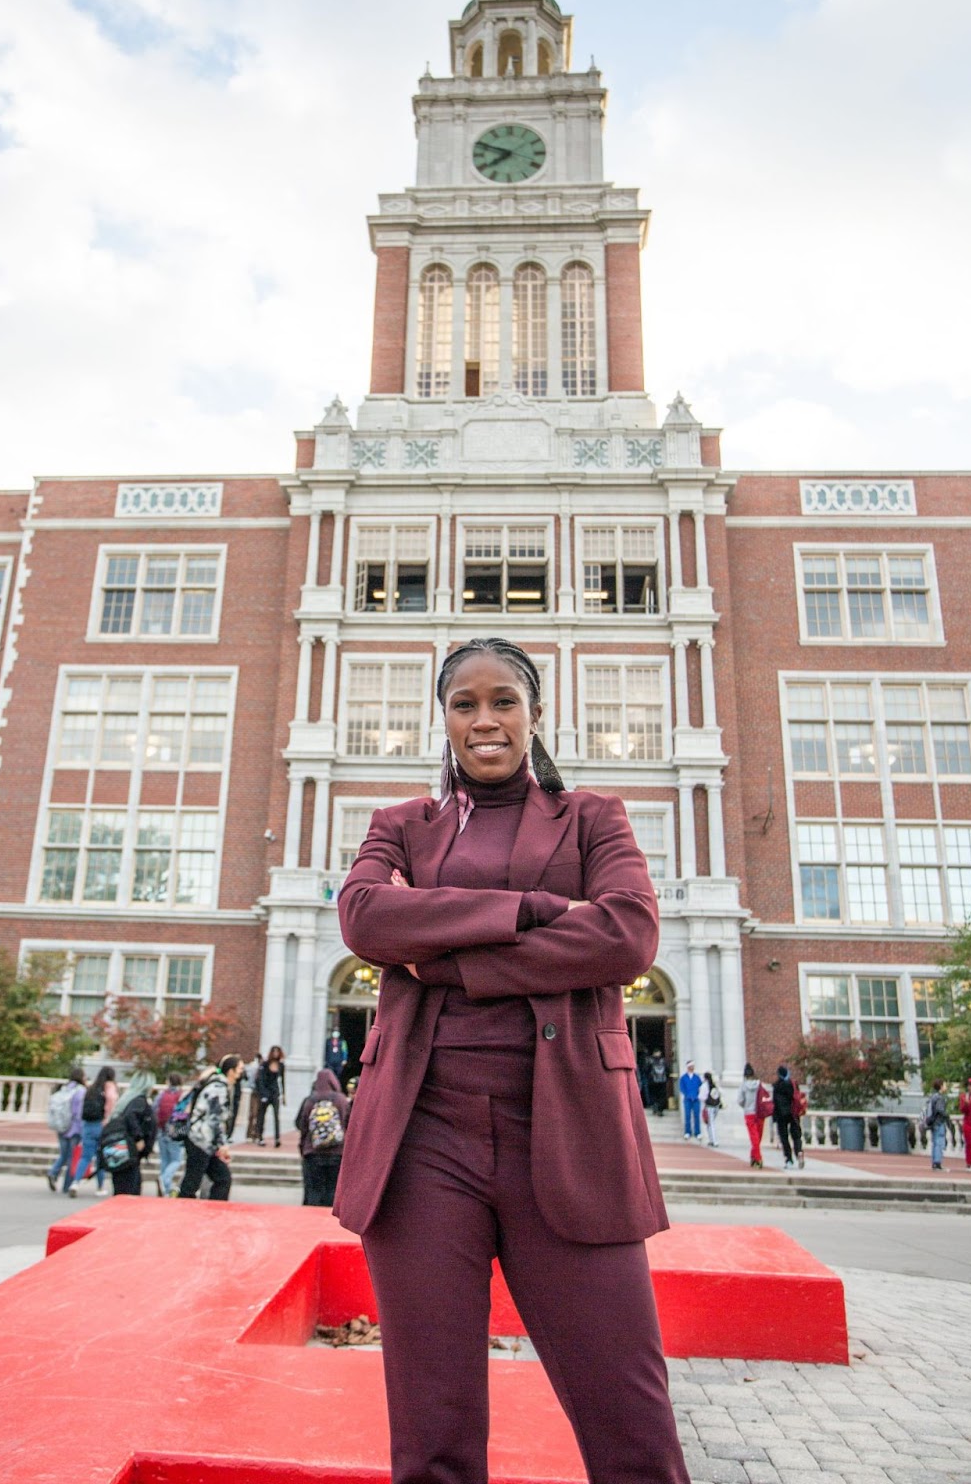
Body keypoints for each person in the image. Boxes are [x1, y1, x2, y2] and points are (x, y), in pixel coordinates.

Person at [335, 636, 691, 1484]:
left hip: (568, 1136)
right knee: (432, 1433)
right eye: (465, 704)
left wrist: (452, 958)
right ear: (445, 718)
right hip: (422, 1143)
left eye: (505, 702)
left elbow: (626, 934)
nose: (485, 720)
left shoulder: (594, 817)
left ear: (536, 715)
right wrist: (534, 909)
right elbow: (366, 919)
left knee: (629, 1417)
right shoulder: (400, 827)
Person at [178, 1055, 243, 1200]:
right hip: (200, 1140)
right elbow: (215, 1119)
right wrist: (222, 1145)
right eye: (240, 1068)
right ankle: (183, 1213)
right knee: (193, 1183)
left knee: (222, 1178)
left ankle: (210, 1211)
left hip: (204, 1141)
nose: (241, 1072)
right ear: (231, 1071)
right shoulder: (218, 1088)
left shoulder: (218, 1085)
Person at [295, 1067, 349, 1206]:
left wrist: (302, 1148)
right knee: (332, 1190)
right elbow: (348, 1124)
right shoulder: (341, 1100)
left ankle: (311, 1222)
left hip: (312, 1153)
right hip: (337, 1153)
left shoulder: (310, 1101)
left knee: (314, 1191)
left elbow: (302, 1126)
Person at [104, 1071, 157, 1196]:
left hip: (122, 1152)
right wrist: (139, 1138)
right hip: (130, 1152)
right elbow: (131, 1117)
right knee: (130, 1190)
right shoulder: (139, 1101)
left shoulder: (127, 1100)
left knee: (124, 1188)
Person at [69, 1065, 117, 1196]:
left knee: (85, 1157)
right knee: (101, 1158)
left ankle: (75, 1183)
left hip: (88, 1125)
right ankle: (100, 1187)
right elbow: (111, 1103)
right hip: (101, 1125)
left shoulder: (91, 1088)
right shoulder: (109, 1087)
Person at [46, 1066, 86, 1192]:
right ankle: (67, 1185)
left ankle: (53, 1172)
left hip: (61, 1126)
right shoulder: (80, 1091)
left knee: (63, 1154)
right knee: (72, 1157)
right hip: (74, 1128)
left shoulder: (64, 1089)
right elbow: (78, 1113)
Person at [154, 1072, 186, 1196]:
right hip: (175, 1131)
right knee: (176, 1160)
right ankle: (165, 1179)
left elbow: (154, 1109)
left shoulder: (162, 1094)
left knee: (164, 1160)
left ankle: (165, 1188)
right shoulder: (181, 1095)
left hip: (161, 1130)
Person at [773, 1064, 804, 1169]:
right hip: (793, 1113)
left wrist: (774, 1117)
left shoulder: (777, 1086)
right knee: (796, 1136)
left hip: (782, 1115)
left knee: (784, 1138)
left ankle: (789, 1159)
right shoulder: (793, 1084)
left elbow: (775, 1103)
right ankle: (799, 1152)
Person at [254, 1045, 285, 1146]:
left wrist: (284, 1094)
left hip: (275, 1092)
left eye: (277, 1052)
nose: (276, 1054)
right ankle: (260, 1137)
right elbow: (261, 1080)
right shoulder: (265, 1064)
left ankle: (277, 1138)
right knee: (261, 1116)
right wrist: (263, 1094)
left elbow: (282, 1080)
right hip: (265, 1092)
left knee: (276, 1116)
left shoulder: (281, 1065)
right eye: (274, 1051)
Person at [736, 1063, 764, 1168]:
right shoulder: (759, 1084)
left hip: (749, 1113)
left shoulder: (743, 1086)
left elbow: (740, 1100)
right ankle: (754, 1155)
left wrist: (746, 1105)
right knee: (758, 1136)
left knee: (754, 1136)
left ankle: (757, 1157)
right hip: (760, 1112)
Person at [923, 1078, 948, 1170]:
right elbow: (940, 1110)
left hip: (932, 1122)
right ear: (941, 1086)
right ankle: (937, 1163)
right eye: (944, 1085)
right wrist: (946, 1115)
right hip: (938, 1122)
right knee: (939, 1143)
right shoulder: (940, 1097)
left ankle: (934, 1162)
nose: (945, 1087)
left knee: (934, 1142)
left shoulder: (932, 1096)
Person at [679, 1060, 701, 1141]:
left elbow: (700, 1087)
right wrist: (687, 1094)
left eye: (693, 1066)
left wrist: (697, 1095)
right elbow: (682, 1088)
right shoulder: (683, 1078)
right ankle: (687, 1132)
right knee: (687, 1116)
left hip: (696, 1099)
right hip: (687, 1099)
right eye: (691, 1066)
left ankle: (697, 1132)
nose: (692, 1068)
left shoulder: (697, 1077)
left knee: (696, 1116)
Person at [244, 1052, 263, 1143]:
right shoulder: (255, 1067)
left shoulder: (261, 1067)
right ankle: (251, 1133)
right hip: (256, 1092)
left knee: (256, 1114)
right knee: (253, 1114)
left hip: (259, 1092)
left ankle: (255, 1133)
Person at [701, 1070, 722, 1148]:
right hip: (716, 1106)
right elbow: (721, 1092)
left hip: (709, 1106)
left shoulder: (704, 1086)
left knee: (710, 1123)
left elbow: (701, 1097)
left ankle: (714, 1141)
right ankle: (711, 1140)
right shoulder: (715, 1085)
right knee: (710, 1123)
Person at [647, 1049, 668, 1116]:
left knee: (653, 1095)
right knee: (661, 1096)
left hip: (652, 1081)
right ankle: (660, 1110)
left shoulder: (649, 1061)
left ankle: (655, 1109)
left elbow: (646, 1070)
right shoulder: (663, 1061)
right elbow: (668, 1070)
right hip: (662, 1081)